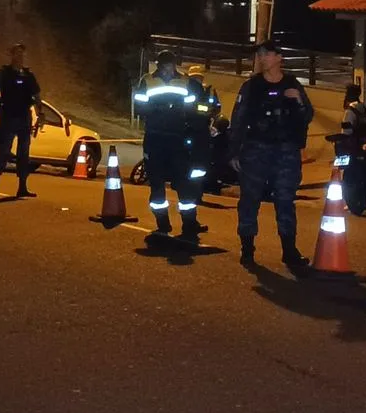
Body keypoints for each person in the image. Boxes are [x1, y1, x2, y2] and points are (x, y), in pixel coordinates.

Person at [229, 41, 314, 270]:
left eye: (266, 54)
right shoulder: (251, 87)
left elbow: (307, 115)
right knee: (250, 200)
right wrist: (234, 152)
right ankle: (247, 249)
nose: (262, 58)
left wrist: (296, 98)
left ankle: (289, 251)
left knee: (285, 201)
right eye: (260, 55)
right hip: (256, 150)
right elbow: (238, 119)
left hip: (286, 152)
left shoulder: (292, 84)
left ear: (278, 58)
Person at [133, 50, 212, 247]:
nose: (166, 69)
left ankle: (189, 224)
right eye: (163, 65)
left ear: (174, 65)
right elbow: (140, 107)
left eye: (169, 65)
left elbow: (199, 108)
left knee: (184, 184)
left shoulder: (187, 82)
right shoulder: (148, 81)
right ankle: (162, 224)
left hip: (178, 138)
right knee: (156, 182)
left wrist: (191, 121)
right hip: (155, 137)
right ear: (158, 65)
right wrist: (162, 108)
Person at [0, 44, 43, 200]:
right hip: (9, 118)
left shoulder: (28, 75)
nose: (20, 56)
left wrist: (41, 114)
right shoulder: (5, 73)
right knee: (4, 151)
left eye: (22, 54)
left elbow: (37, 97)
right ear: (12, 55)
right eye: (17, 53)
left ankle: (22, 187)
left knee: (24, 154)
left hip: (24, 118)